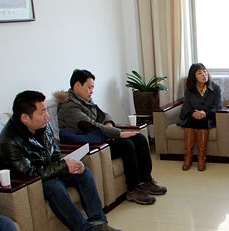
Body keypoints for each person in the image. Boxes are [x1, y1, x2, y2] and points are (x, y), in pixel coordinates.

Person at [0, 90, 123, 231]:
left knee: (83, 172)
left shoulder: (42, 126)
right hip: (26, 185)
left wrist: (70, 162)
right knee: (54, 187)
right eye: (42, 112)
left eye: (46, 110)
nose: (47, 116)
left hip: (48, 171)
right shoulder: (10, 141)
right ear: (25, 118)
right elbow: (29, 173)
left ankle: (98, 223)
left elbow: (54, 153)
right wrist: (63, 166)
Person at [57, 69, 167, 205]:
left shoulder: (85, 101)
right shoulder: (69, 107)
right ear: (77, 85)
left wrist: (109, 123)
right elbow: (90, 125)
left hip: (100, 139)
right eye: (89, 87)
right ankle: (133, 189)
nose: (92, 91)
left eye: (93, 88)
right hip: (89, 146)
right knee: (126, 145)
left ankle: (146, 181)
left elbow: (104, 115)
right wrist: (118, 133)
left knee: (139, 139)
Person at [180, 63, 223, 171]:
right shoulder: (190, 89)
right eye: (200, 73)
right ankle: (188, 156)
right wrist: (192, 113)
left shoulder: (215, 88)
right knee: (190, 121)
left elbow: (218, 106)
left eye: (205, 71)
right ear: (194, 76)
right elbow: (186, 107)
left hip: (208, 117)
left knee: (203, 122)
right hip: (193, 116)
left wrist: (205, 113)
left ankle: (201, 157)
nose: (204, 74)